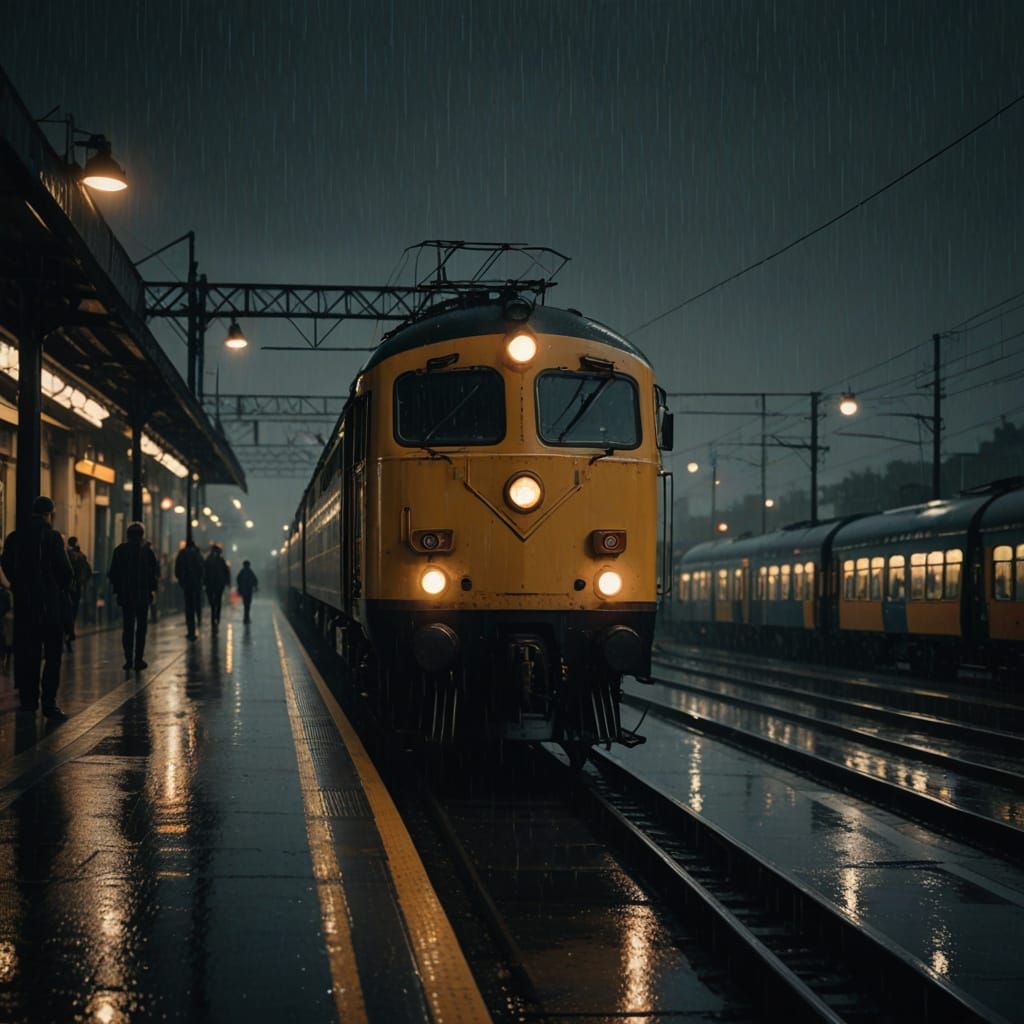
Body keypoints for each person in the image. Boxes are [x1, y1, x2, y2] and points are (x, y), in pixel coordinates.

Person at [0, 496, 73, 719]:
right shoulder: (53, 538)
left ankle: (29, 700)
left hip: (25, 607)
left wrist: (17, 585)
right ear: (49, 514)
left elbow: (5, 564)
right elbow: (65, 572)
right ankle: (48, 703)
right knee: (52, 656)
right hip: (49, 608)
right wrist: (56, 589)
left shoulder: (15, 537)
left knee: (27, 654)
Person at [107, 522, 160, 670]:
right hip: (142, 596)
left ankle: (128, 659)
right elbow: (154, 573)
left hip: (126, 596)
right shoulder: (147, 552)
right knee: (141, 628)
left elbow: (113, 574)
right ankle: (138, 659)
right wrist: (151, 590)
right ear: (142, 535)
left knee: (128, 627)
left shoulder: (119, 551)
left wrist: (118, 590)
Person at [65, 536, 92, 651]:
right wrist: (82, 582)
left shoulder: (66, 555)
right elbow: (88, 572)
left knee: (66, 611)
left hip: (66, 588)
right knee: (73, 611)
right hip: (76, 588)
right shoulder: (81, 557)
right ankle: (69, 634)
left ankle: (67, 633)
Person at [175, 539, 205, 640]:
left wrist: (181, 580)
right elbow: (202, 568)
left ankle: (190, 629)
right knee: (197, 604)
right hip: (196, 584)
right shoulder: (197, 554)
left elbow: (177, 569)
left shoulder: (182, 554)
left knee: (189, 607)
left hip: (187, 584)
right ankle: (198, 621)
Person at [203, 543, 231, 631]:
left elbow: (204, 572)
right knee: (217, 600)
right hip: (218, 583)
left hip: (211, 584)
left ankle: (214, 615)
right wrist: (227, 582)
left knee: (213, 600)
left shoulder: (208, 560)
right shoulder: (220, 560)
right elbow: (226, 572)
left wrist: (204, 582)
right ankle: (216, 616)